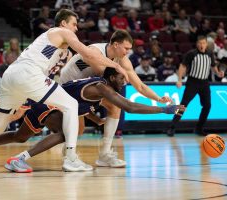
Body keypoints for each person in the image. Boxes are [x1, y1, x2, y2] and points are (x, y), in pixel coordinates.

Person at [0, 9, 128, 172]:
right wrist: (117, 67)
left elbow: (45, 73)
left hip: (13, 75)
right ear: (64, 23)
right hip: (28, 73)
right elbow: (87, 53)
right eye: (74, 24)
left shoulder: (57, 46)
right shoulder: (61, 31)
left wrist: (23, 102)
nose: (76, 28)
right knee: (71, 104)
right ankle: (71, 159)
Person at [0, 68, 184, 172]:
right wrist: (164, 110)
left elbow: (80, 105)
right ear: (111, 78)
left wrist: (96, 120)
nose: (125, 80)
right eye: (122, 77)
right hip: (48, 104)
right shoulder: (101, 87)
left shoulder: (98, 89)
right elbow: (130, 106)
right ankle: (18, 159)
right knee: (64, 134)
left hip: (45, 104)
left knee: (20, 136)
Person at [59, 30, 172, 168]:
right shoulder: (95, 51)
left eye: (130, 49)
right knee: (79, 129)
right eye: (126, 48)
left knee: (115, 106)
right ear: (116, 45)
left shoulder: (122, 60)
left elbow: (140, 86)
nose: (128, 52)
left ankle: (104, 155)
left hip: (86, 88)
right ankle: (69, 155)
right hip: (67, 88)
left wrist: (158, 98)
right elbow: (104, 81)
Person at [166, 36, 224, 137]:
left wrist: (218, 73)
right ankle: (172, 127)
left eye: (203, 43)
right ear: (197, 44)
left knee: (207, 105)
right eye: (200, 43)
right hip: (193, 82)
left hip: (204, 83)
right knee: (183, 105)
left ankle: (199, 128)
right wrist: (179, 80)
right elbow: (182, 66)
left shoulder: (210, 53)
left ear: (206, 44)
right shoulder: (191, 54)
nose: (202, 45)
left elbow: (213, 66)